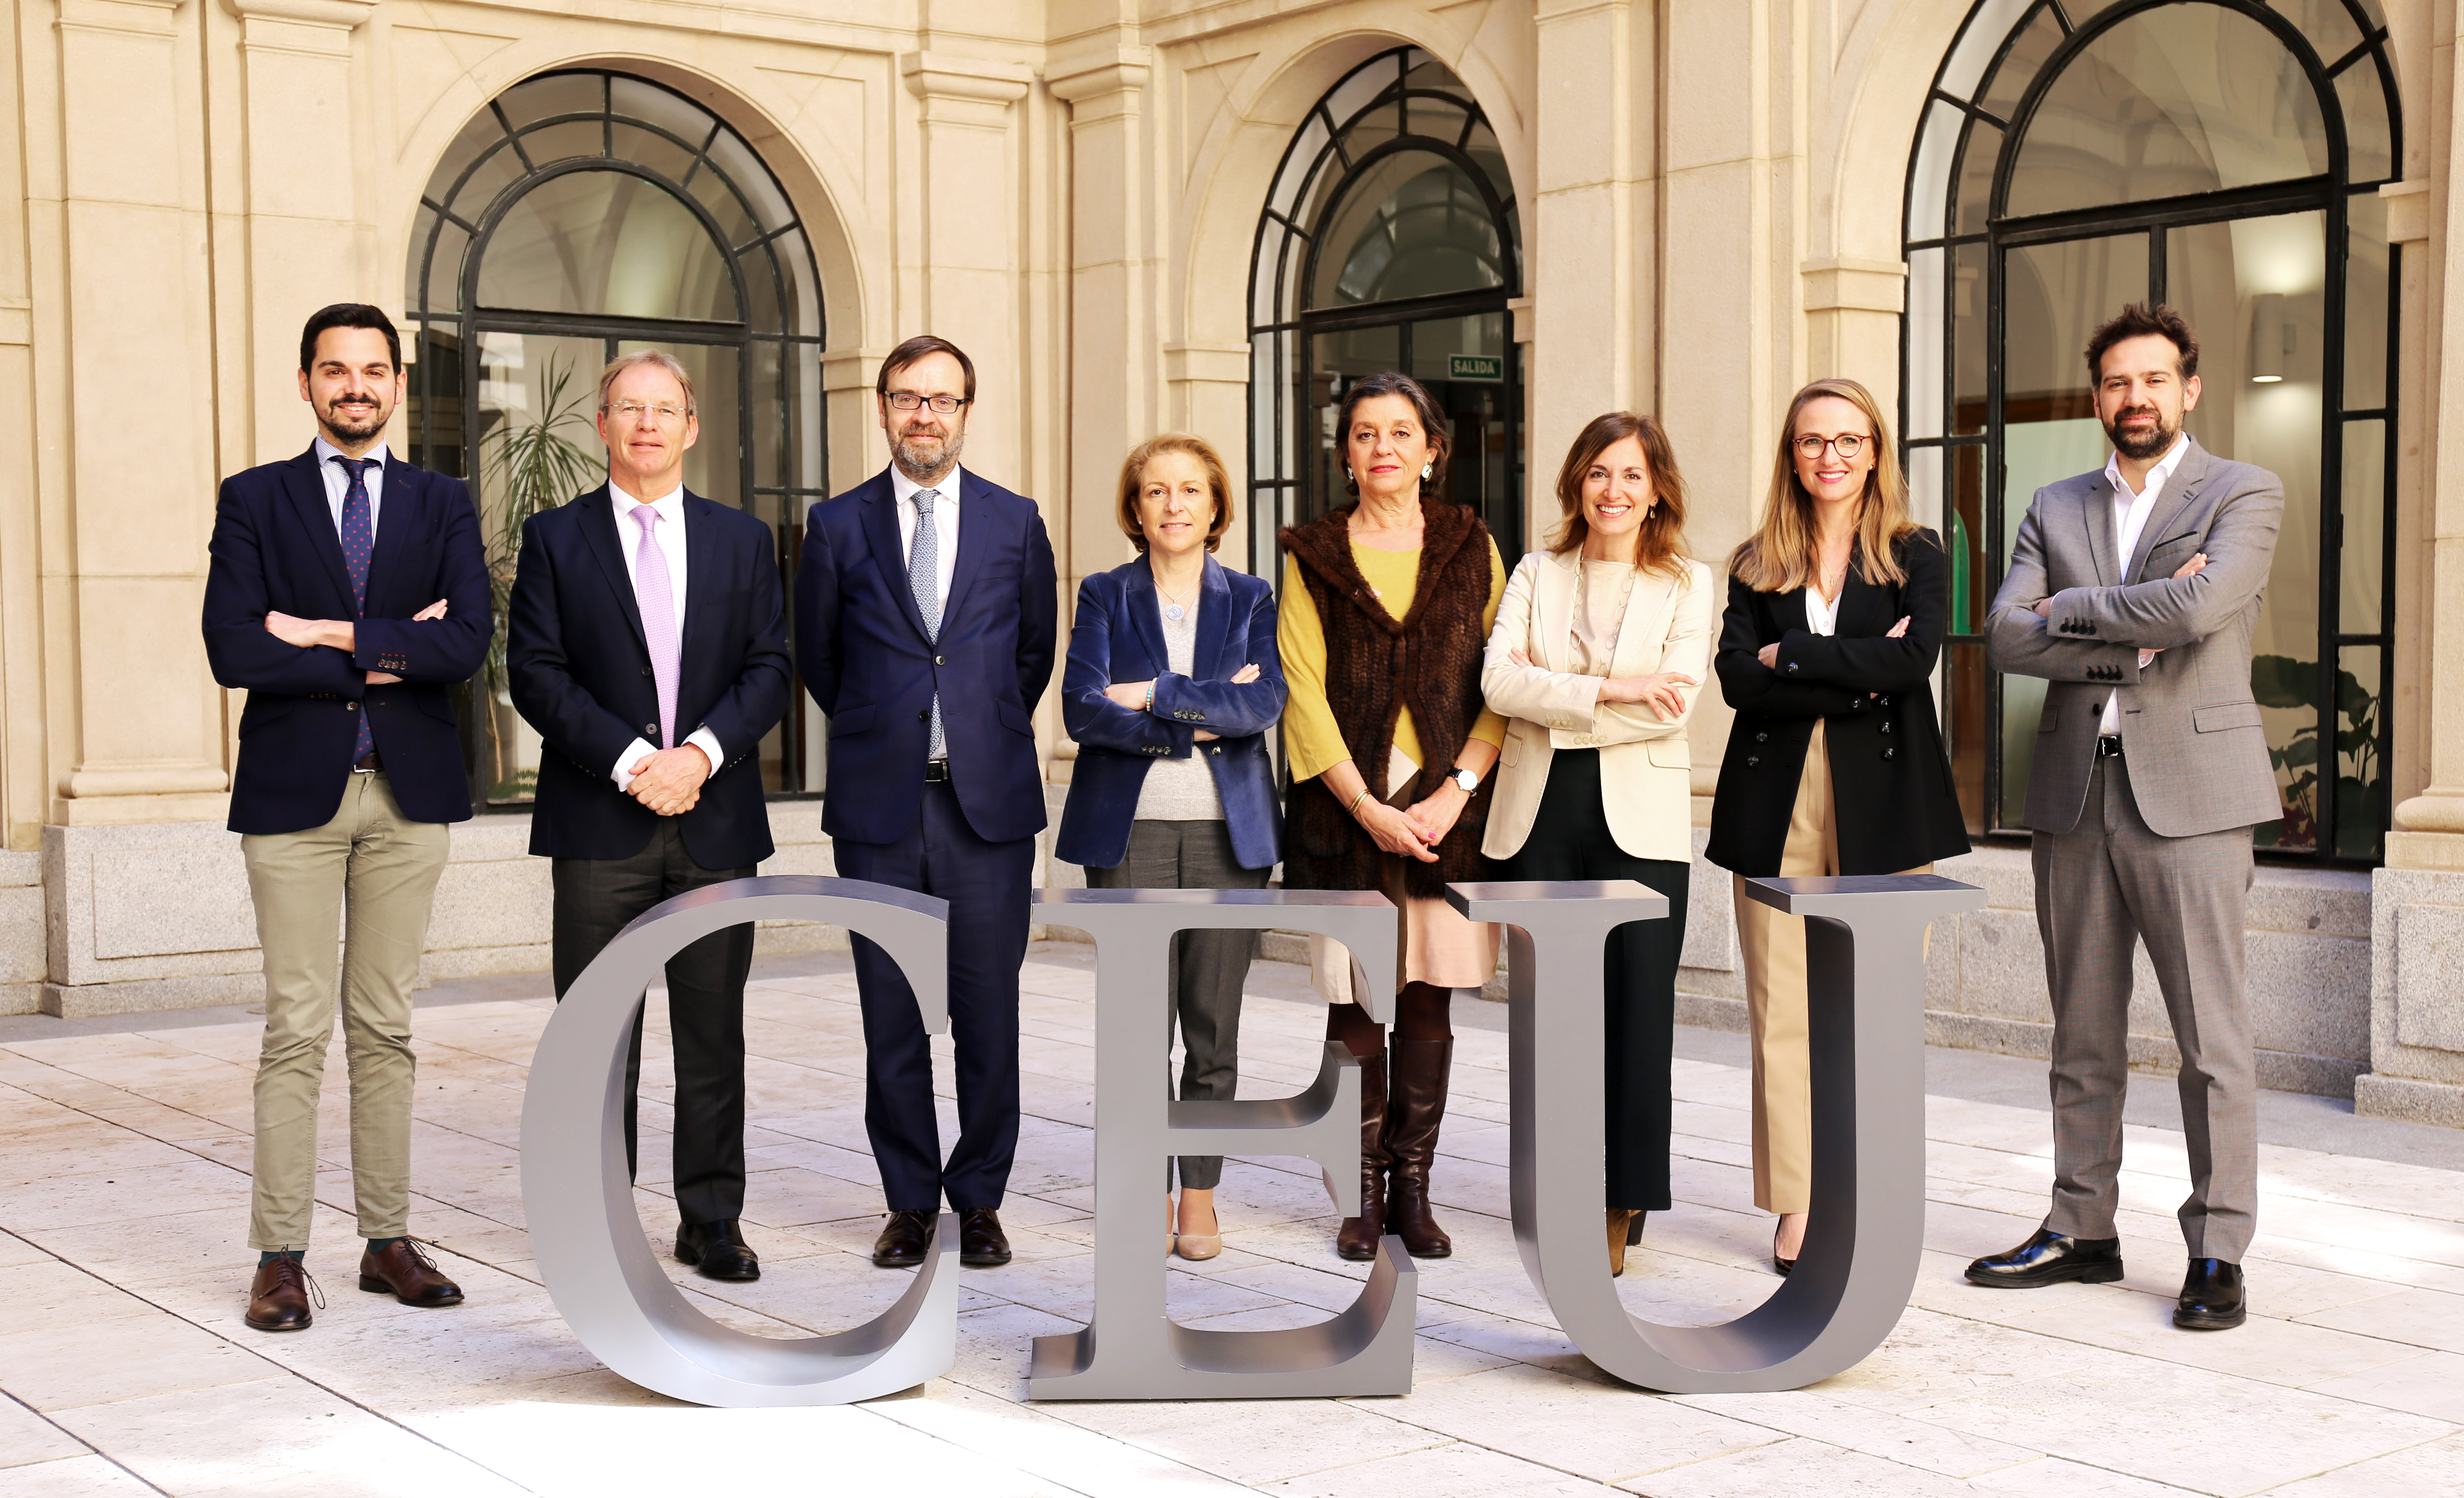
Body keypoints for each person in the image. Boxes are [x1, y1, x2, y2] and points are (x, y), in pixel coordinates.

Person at [1973, 304, 2281, 1333]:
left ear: (2189, 389)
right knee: (2082, 1029)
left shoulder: (2243, 490)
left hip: (2195, 797)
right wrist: (2132, 621)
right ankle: (2081, 1227)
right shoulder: (2055, 502)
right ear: (2097, 396)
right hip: (2076, 791)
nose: (2134, 397)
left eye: (2153, 379)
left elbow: (2199, 611)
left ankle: (2217, 1247)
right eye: (2116, 381)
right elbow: (2005, 635)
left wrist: (2072, 605)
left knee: (2211, 1038)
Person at [203, 303, 490, 1331]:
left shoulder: (442, 501)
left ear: (398, 385)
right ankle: (279, 1256)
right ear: (306, 382)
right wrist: (393, 645)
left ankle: (387, 1241)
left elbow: (467, 644)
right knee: (294, 1026)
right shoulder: (256, 498)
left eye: (374, 370)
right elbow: (234, 647)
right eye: (336, 370)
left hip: (408, 795)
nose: (356, 387)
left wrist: (322, 632)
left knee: (385, 1026)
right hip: (294, 796)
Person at [507, 349, 793, 1284]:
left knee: (712, 1032)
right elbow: (536, 673)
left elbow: (770, 669)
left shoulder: (741, 540)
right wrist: (637, 764)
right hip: (600, 821)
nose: (646, 424)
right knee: (598, 1034)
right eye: (629, 408)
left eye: (664, 409)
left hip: (715, 817)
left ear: (691, 427)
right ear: (602, 425)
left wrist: (698, 756)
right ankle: (600, 1220)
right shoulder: (555, 538)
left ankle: (712, 1220)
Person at [796, 335, 1058, 1272]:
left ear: (966, 413)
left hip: (987, 810)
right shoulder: (836, 526)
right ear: (883, 409)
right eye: (908, 397)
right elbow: (820, 658)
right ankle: (908, 1201)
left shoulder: (1015, 521)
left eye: (943, 400)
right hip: (881, 808)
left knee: (989, 1015)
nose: (925, 415)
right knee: (892, 1013)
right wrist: (892, 734)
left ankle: (979, 1199)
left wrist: (975, 732)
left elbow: (1033, 652)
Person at [1706, 377, 1970, 1276]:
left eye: (1849, 440)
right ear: (1792, 455)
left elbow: (1914, 660)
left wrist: (1796, 654)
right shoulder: (1756, 560)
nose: (1832, 456)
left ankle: (1870, 1185)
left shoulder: (1915, 552)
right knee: (1781, 1009)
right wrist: (1857, 670)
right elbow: (1737, 680)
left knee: (1878, 1006)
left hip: (1886, 799)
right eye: (1814, 440)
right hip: (1773, 797)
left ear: (1875, 451)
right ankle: (1797, 1202)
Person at [1278, 369, 1505, 1263]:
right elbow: (1301, 691)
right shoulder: (1311, 554)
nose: (1384, 447)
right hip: (1346, 810)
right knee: (1357, 1001)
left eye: (1401, 432)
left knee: (1428, 999)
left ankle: (1413, 1186)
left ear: (1432, 450)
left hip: (1448, 810)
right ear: (1347, 455)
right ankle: (1361, 1190)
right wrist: (1365, 806)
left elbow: (1501, 680)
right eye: (1366, 433)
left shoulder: (1471, 545)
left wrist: (1456, 791)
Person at [1481, 413, 1713, 1278]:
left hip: (1640, 823)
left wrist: (1556, 698)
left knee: (1639, 1012)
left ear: (1656, 491)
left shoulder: (1689, 582)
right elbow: (1496, 682)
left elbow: (1675, 706)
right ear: (1577, 484)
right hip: (1540, 813)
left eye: (1631, 475)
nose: (1613, 491)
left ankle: (1626, 1197)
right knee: (1556, 1014)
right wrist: (1615, 689)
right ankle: (1565, 1183)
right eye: (1598, 474)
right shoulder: (1536, 572)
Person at [1057, 434, 1286, 1262]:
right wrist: (1200, 713)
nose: (1175, 504)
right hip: (1130, 834)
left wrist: (1153, 694)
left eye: (1191, 490)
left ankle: (1199, 1197)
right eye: (1156, 491)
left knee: (1213, 1028)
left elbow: (1261, 707)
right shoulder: (1104, 594)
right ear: (1136, 508)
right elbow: (1082, 711)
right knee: (1137, 1029)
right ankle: (1145, 1193)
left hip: (1230, 835)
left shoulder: (1252, 597)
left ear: (1217, 505)